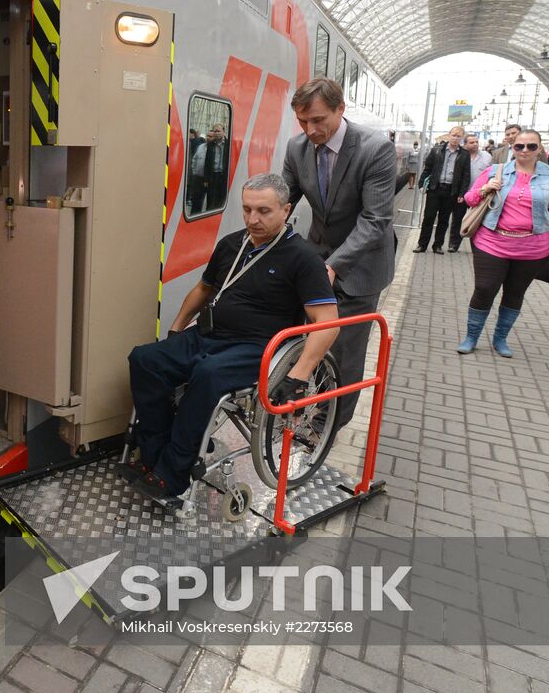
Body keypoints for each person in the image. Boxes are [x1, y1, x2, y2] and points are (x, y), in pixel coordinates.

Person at [124, 174, 340, 502]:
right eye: (247, 209)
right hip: (209, 335)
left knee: (207, 376)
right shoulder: (231, 244)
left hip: (258, 348)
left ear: (286, 210)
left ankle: (173, 475)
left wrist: (299, 375)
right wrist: (175, 330)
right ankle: (154, 456)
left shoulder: (302, 258)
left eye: (264, 211)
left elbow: (327, 322)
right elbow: (203, 289)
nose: (253, 219)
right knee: (145, 359)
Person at [281, 78, 398, 434]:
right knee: (304, 336)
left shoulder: (375, 149)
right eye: (303, 122)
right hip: (319, 252)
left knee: (344, 349)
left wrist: (333, 266)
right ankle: (303, 399)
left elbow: (375, 219)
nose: (310, 129)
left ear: (340, 109)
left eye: (318, 120)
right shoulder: (297, 148)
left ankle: (328, 424)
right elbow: (283, 202)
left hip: (360, 266)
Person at [456, 130, 549, 357]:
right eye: (519, 146)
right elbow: (469, 198)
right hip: (491, 241)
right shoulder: (496, 171)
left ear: (540, 149)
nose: (525, 151)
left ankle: (500, 339)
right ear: (512, 147)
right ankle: (471, 336)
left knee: (515, 292)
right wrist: (484, 189)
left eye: (531, 146)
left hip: (533, 248)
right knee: (485, 289)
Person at [414, 126, 470, 254]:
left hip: (451, 191)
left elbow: (466, 176)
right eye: (453, 135)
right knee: (428, 217)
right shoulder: (436, 150)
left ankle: (437, 245)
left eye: (458, 136)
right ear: (449, 135)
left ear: (461, 138)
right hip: (435, 189)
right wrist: (422, 183)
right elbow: (427, 168)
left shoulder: (464, 154)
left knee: (444, 220)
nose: (455, 138)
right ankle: (422, 245)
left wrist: (462, 193)